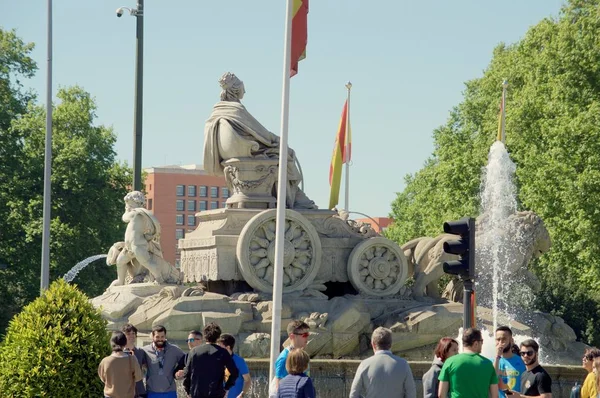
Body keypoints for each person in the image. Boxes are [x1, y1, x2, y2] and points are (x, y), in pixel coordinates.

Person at [203, 72, 315, 209]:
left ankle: (291, 196)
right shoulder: (236, 110)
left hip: (236, 156)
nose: (245, 91)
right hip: (250, 153)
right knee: (285, 155)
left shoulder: (218, 112)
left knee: (280, 152)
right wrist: (277, 140)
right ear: (237, 90)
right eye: (243, 87)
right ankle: (292, 199)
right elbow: (261, 133)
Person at [349, 327, 416, 398]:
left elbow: (353, 395)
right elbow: (411, 394)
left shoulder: (364, 364)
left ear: (373, 344)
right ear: (390, 344)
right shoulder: (403, 364)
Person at [183, 322, 239, 398]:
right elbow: (235, 372)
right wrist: (226, 388)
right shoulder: (223, 352)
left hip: (197, 394)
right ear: (218, 336)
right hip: (216, 394)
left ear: (205, 335)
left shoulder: (194, 351)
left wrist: (188, 391)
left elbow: (187, 374)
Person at [438, 328, 498, 398]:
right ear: (476, 343)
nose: (482, 344)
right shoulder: (488, 364)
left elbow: (441, 394)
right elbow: (495, 396)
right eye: (481, 341)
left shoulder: (449, 362)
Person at [141, 325, 185, 398]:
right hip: (152, 392)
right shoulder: (145, 350)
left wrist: (179, 371)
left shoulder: (174, 350)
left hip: (170, 392)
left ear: (165, 336)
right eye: (157, 337)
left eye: (162, 337)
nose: (160, 339)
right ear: (152, 337)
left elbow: (187, 360)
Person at [98, 331, 143, 398]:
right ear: (125, 343)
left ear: (111, 343)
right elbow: (138, 377)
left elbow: (102, 378)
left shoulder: (105, 361)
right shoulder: (132, 359)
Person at [494, 326, 527, 398]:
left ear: (511, 341)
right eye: (498, 339)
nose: (500, 342)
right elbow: (492, 379)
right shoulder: (492, 362)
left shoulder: (522, 361)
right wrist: (497, 357)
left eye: (504, 339)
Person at [275, 320, 311, 386]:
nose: (307, 337)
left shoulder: (303, 355)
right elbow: (279, 387)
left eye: (308, 334)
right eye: (304, 335)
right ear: (292, 336)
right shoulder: (284, 358)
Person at [217, 333, 251, 398]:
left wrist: (242, 394)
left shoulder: (239, 361)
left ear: (228, 347)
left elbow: (248, 380)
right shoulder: (216, 360)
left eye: (220, 347)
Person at [122, 323, 147, 398]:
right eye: (128, 334)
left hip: (139, 391)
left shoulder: (140, 352)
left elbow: (146, 368)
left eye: (133, 333)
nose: (132, 336)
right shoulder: (118, 353)